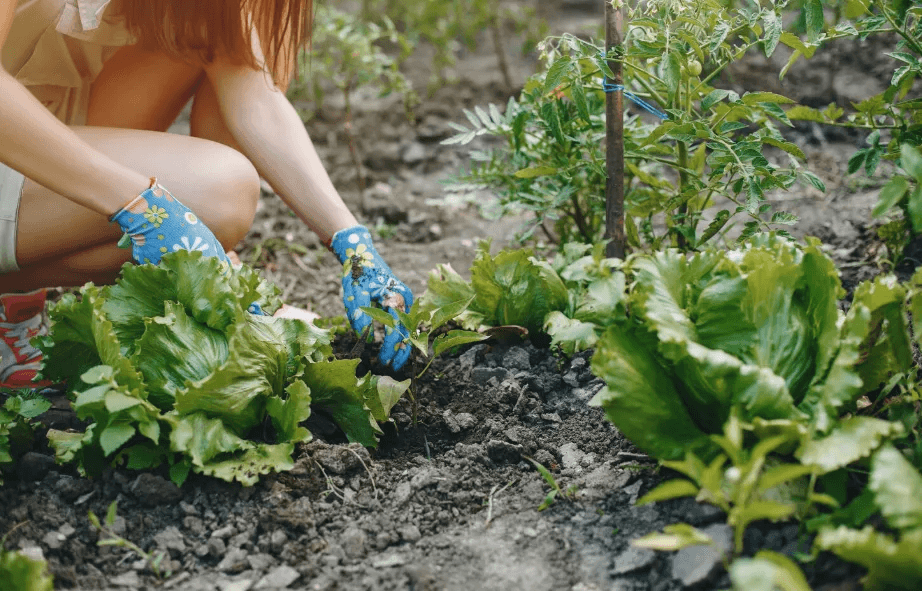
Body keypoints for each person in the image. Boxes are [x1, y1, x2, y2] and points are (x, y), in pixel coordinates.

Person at [0, 0, 414, 388]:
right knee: (219, 190)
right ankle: (11, 294)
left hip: (37, 133)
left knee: (219, 26)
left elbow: (253, 93)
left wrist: (351, 241)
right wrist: (138, 204)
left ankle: (212, 266)